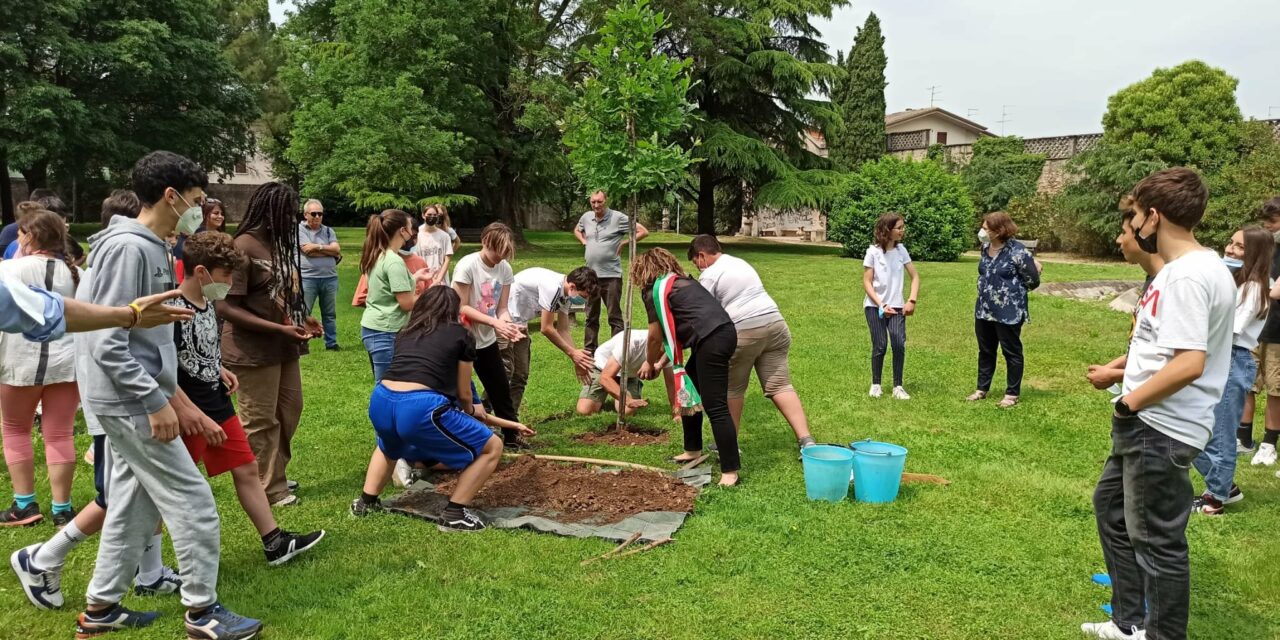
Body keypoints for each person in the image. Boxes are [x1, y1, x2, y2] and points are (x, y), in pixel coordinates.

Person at [65, 151, 262, 638]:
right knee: (193, 501)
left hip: (137, 396)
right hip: (129, 400)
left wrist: (167, 392)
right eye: (195, 201)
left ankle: (101, 608)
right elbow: (107, 339)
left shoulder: (151, 245)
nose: (199, 210)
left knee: (134, 502)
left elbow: (142, 335)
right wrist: (157, 402)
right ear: (171, 197)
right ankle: (203, 612)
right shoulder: (130, 248)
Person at [1082, 167, 1234, 640]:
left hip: (1159, 425)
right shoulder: (1192, 270)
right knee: (1111, 508)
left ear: (1154, 216)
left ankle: (1160, 634)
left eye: (1137, 216)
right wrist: (1128, 371)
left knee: (1158, 543)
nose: (1134, 226)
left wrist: (1128, 404)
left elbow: (1189, 363)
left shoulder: (1187, 276)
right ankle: (1128, 622)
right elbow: (1165, 347)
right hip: (1151, 421)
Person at [172, 231, 326, 562]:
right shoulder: (172, 310)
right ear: (201, 273)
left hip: (217, 403)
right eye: (226, 276)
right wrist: (189, 412)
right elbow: (162, 367)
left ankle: (274, 542)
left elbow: (203, 349)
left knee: (245, 468)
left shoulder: (208, 305)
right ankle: (149, 565)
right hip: (186, 413)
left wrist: (218, 369)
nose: (230, 283)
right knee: (169, 488)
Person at [350, 286, 508, 532]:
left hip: (381, 399)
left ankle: (365, 503)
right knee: (492, 447)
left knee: (387, 446)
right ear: (454, 310)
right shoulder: (461, 334)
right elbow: (465, 391)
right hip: (420, 406)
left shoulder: (406, 332)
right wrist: (471, 413)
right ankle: (455, 513)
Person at [220, 182, 320, 509]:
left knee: (289, 411)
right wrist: (278, 327)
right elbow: (225, 306)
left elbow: (283, 294)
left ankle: (275, 471)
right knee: (261, 420)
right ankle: (268, 487)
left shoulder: (278, 245)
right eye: (288, 214)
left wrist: (302, 318)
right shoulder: (242, 247)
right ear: (268, 214)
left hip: (283, 346)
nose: (294, 221)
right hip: (251, 351)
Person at [687, 235, 816, 455]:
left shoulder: (710, 274)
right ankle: (807, 441)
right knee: (780, 386)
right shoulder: (739, 262)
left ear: (702, 255)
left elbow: (702, 311)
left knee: (732, 388)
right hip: (776, 325)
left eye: (695, 263)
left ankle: (728, 444)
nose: (698, 268)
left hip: (745, 330)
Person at [0, 211, 82, 527]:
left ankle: (24, 505)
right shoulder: (76, 273)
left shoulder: (9, 269)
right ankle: (63, 508)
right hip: (66, 363)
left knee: (15, 429)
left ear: (30, 236)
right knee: (60, 434)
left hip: (19, 363)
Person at [633, 248, 739, 487]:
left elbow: (655, 336)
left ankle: (730, 471)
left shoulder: (653, 291)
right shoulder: (681, 282)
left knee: (716, 406)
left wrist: (649, 362)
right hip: (720, 334)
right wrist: (659, 361)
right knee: (689, 386)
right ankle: (692, 449)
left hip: (712, 340)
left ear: (644, 270)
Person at [1184, 226, 1271, 516]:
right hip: (1215, 356)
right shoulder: (1231, 279)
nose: (1230, 250)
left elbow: (1231, 329)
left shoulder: (1256, 287)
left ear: (1256, 254)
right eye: (1230, 243)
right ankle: (1225, 486)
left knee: (1219, 433)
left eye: (1240, 247)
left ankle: (1214, 500)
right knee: (1194, 426)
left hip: (1233, 359)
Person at [452, 222, 526, 447]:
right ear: (485, 242)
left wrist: (508, 325)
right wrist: (495, 322)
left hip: (486, 339)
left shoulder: (504, 268)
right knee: (458, 390)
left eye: (505, 253)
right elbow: (461, 307)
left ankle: (512, 437)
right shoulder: (467, 266)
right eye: (498, 252)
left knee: (500, 388)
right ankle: (460, 437)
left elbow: (502, 308)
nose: (500, 258)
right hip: (461, 339)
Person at [1086, 196, 1167, 392]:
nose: (1118, 240)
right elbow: (1145, 344)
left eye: (1124, 233)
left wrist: (1114, 375)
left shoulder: (1171, 283)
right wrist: (1112, 367)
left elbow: (1177, 363)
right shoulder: (1152, 279)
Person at [967, 212, 1042, 409]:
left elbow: (1033, 281)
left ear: (999, 230)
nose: (982, 232)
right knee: (986, 350)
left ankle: (1012, 393)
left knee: (1011, 351)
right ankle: (981, 389)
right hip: (984, 309)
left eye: (986, 228)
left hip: (1008, 312)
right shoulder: (985, 248)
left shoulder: (1018, 251)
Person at [503, 266, 598, 414]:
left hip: (520, 323)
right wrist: (573, 354)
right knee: (505, 373)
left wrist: (576, 359)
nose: (584, 300)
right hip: (505, 321)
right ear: (573, 286)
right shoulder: (553, 288)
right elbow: (546, 328)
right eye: (584, 296)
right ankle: (485, 414)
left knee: (520, 375)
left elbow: (563, 329)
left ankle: (510, 420)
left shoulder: (566, 292)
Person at [574, 190, 649, 352]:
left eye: (599, 202)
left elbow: (643, 231)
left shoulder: (618, 218)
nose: (596, 205)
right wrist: (583, 241)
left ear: (606, 200)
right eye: (593, 202)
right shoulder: (586, 217)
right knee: (591, 316)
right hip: (591, 277)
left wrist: (624, 243)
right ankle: (590, 350)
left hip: (611, 276)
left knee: (614, 316)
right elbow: (577, 230)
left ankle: (617, 351)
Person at [859, 214, 920, 400]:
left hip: (897, 308)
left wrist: (911, 300)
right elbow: (867, 282)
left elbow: (915, 277)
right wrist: (881, 304)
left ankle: (898, 387)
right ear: (887, 230)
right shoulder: (873, 252)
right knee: (880, 345)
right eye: (899, 228)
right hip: (874, 306)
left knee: (898, 343)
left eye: (903, 227)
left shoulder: (902, 251)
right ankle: (876, 384)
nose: (903, 231)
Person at [359, 209, 422, 382]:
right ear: (403, 231)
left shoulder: (378, 254)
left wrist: (415, 278)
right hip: (385, 332)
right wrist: (430, 297)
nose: (413, 233)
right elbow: (407, 303)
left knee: (387, 387)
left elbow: (387, 288)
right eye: (411, 228)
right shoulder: (394, 261)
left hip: (374, 328)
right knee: (388, 387)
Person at [1247, 196, 1280, 465]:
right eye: (1266, 221)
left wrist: (1253, 289)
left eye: (1273, 221)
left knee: (1275, 388)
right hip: (1255, 325)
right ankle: (1243, 437)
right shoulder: (1266, 247)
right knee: (1248, 382)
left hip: (1278, 331)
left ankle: (1269, 443)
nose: (1268, 226)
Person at [576, 328, 674, 417]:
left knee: (628, 412)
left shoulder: (667, 351)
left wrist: (676, 413)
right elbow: (605, 378)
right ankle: (610, 392)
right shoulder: (631, 343)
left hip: (628, 375)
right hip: (602, 368)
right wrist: (628, 400)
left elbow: (671, 384)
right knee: (585, 410)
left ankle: (618, 392)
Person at [299, 198, 342, 351]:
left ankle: (331, 343)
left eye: (320, 214)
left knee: (329, 313)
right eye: (314, 214)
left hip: (329, 277)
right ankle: (301, 340)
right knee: (304, 312)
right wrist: (327, 251)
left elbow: (336, 250)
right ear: (305, 215)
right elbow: (307, 251)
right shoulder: (299, 230)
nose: (317, 217)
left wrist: (317, 247)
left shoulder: (328, 230)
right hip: (308, 278)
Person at [415, 204, 455, 286]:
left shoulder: (445, 236)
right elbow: (416, 259)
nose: (432, 217)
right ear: (423, 215)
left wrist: (439, 279)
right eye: (429, 215)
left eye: (434, 215)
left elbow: (447, 260)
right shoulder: (417, 236)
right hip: (423, 279)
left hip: (441, 280)